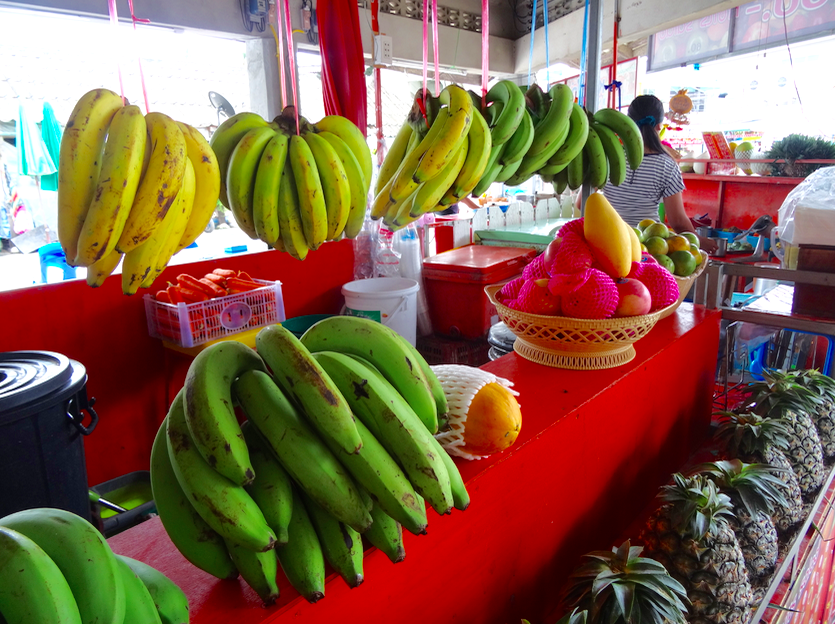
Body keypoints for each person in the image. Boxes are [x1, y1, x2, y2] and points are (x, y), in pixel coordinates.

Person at [601, 95, 718, 253]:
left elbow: (582, 203)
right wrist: (700, 241)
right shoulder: (666, 165)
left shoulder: (609, 156)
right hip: (648, 248)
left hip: (608, 242)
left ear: (627, 123)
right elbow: (677, 221)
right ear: (659, 126)